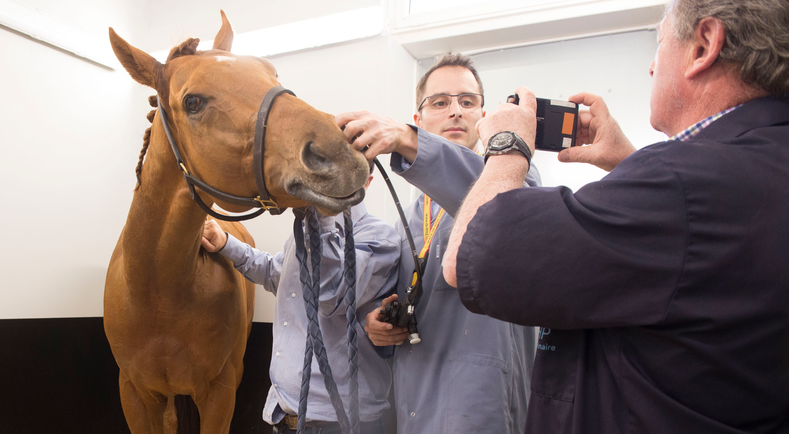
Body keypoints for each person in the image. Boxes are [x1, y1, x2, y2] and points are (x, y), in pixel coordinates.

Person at [441, 0, 789, 432]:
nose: (650, 67)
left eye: (659, 45)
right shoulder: (761, 163)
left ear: (704, 45)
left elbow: (469, 256)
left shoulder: (676, 181)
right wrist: (631, 164)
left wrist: (508, 144)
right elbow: (689, 250)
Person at [336, 54, 540, 433]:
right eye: (440, 102)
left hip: (482, 403)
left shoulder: (516, 175)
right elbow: (405, 302)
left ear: (484, 116)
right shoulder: (411, 217)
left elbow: (499, 210)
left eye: (467, 101)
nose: (456, 112)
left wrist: (406, 140)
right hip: (415, 398)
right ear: (420, 118)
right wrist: (378, 323)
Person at [201, 173, 400, 434]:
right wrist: (226, 243)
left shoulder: (377, 237)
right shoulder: (306, 232)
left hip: (339, 426)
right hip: (286, 417)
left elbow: (330, 297)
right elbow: (276, 273)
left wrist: (323, 213)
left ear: (366, 182)